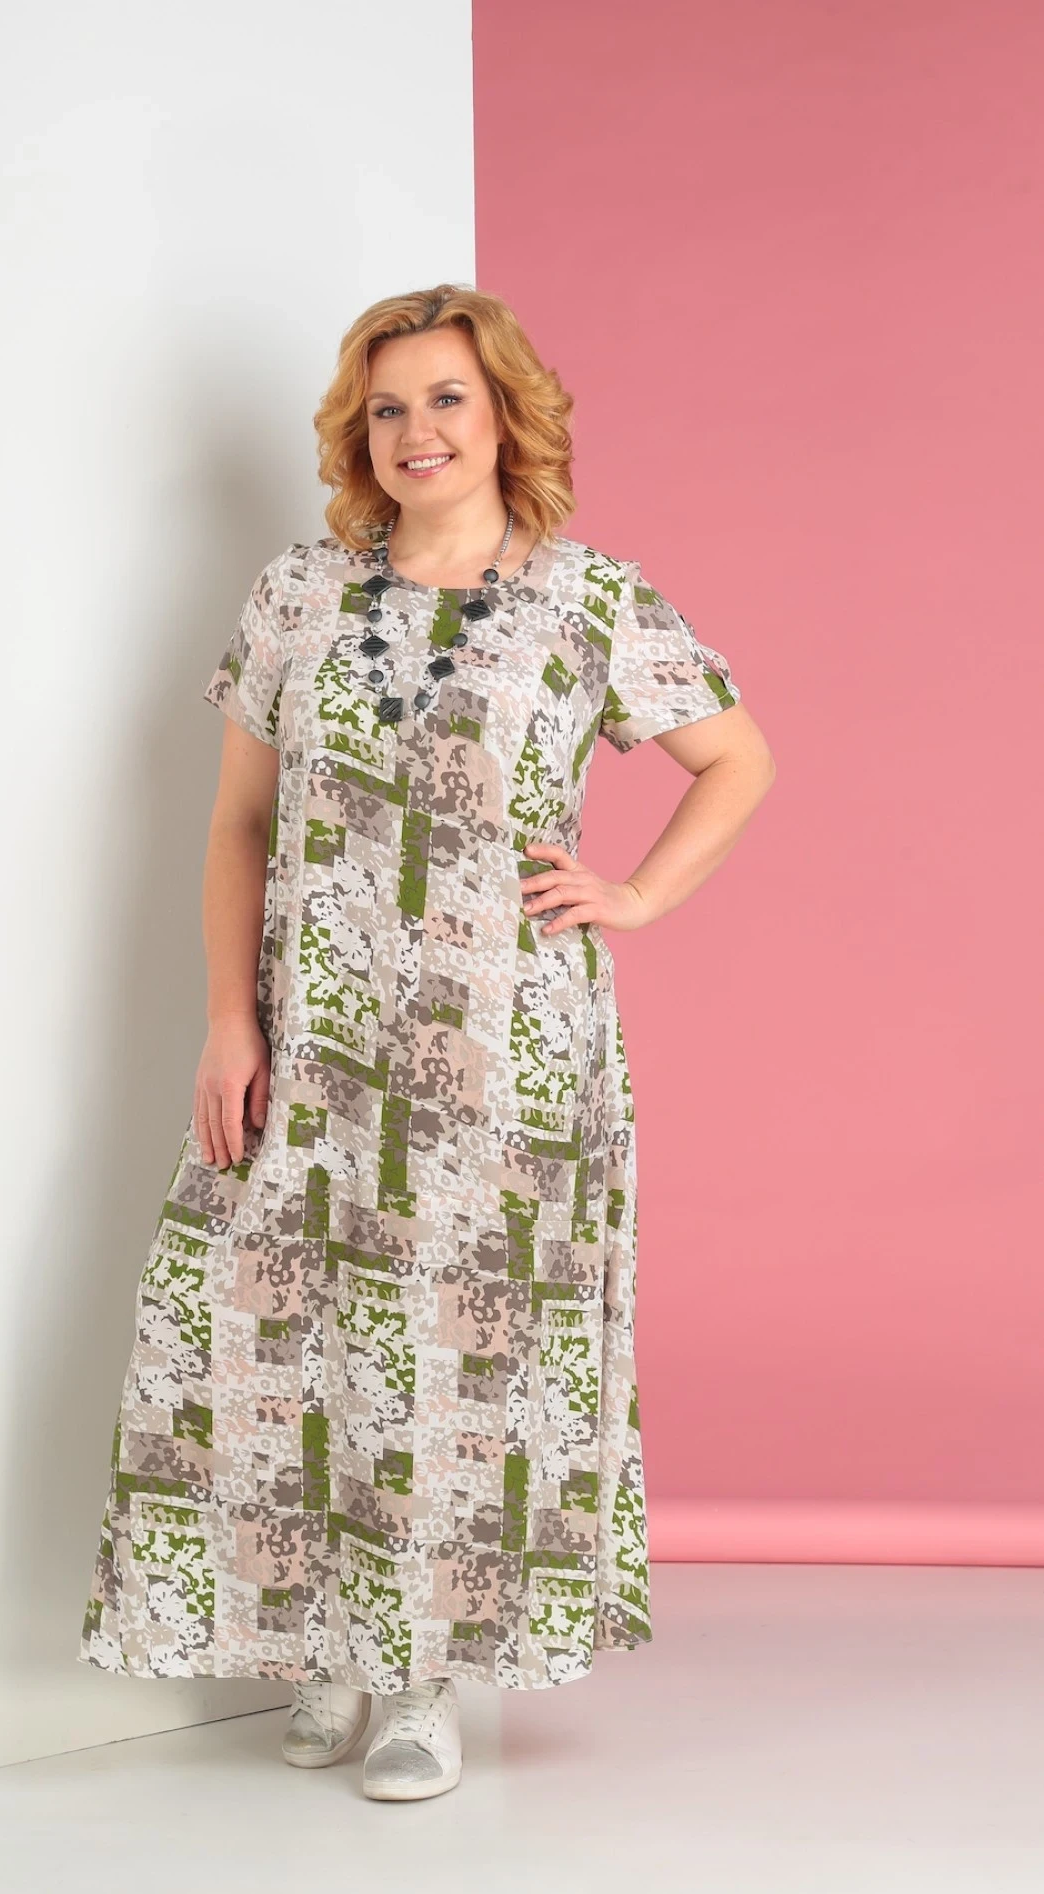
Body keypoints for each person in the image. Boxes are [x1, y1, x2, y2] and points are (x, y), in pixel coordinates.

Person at [77, 282, 776, 1802]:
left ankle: (424, 1680)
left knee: (465, 1352)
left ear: (506, 411)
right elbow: (239, 823)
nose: (417, 431)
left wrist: (637, 894)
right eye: (386, 407)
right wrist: (228, 1019)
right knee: (277, 1329)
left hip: (504, 1049)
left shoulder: (590, 601)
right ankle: (325, 1644)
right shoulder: (298, 596)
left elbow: (736, 758)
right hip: (316, 1037)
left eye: (447, 397)